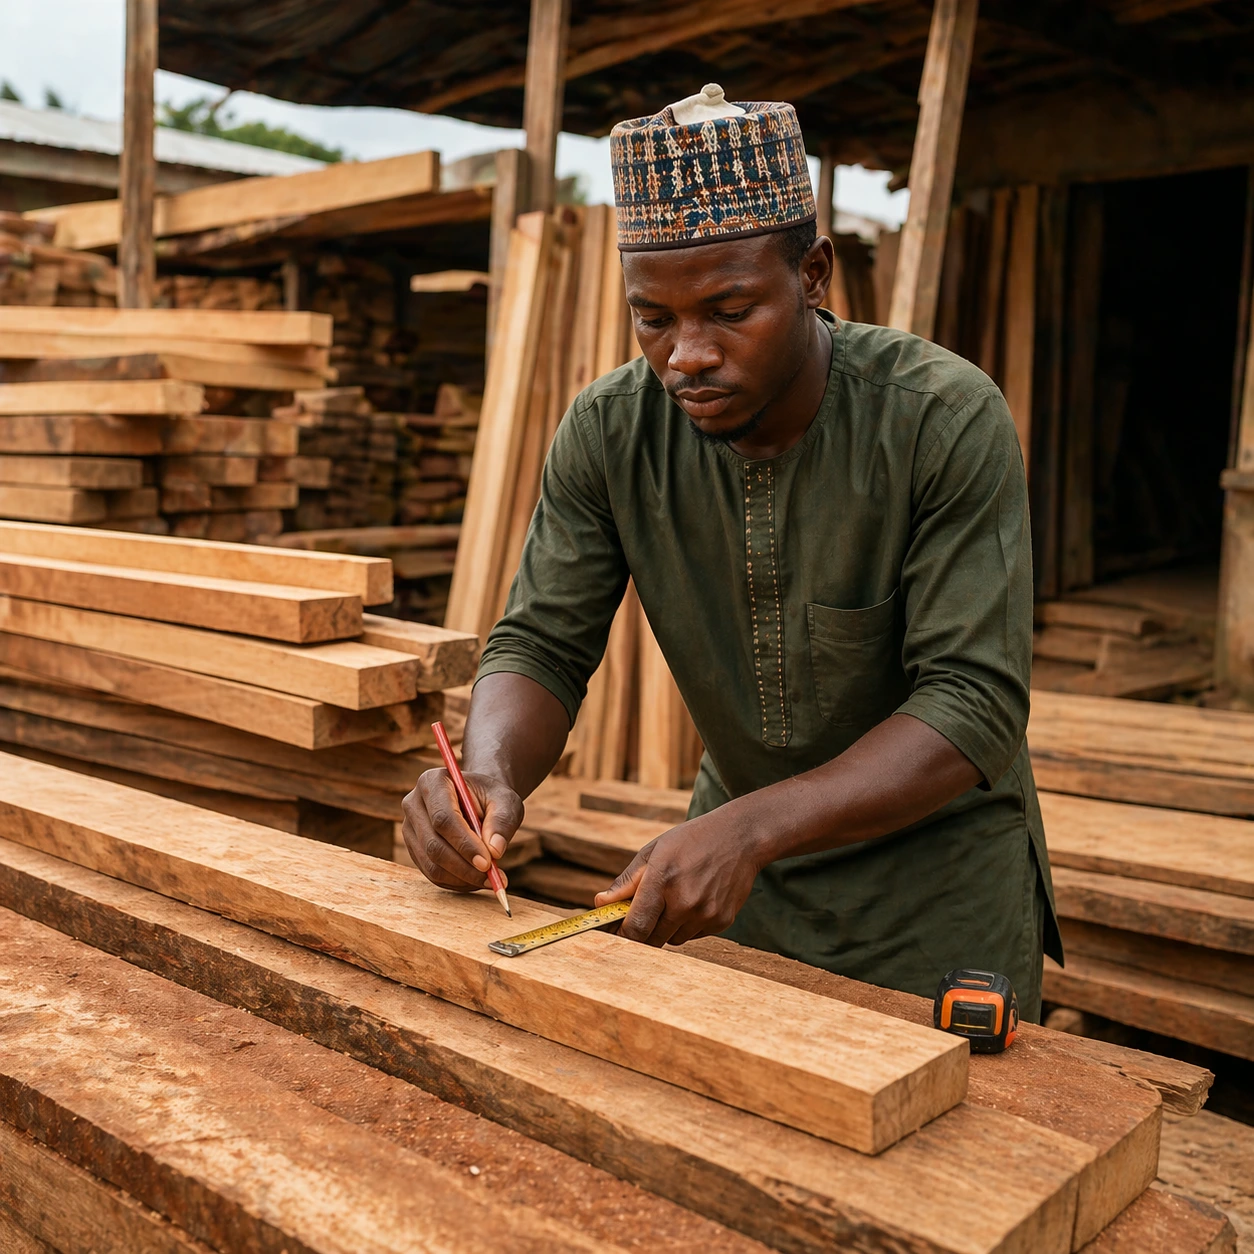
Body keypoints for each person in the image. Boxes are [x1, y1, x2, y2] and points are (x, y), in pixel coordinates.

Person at [403, 85, 1062, 1018]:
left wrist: (751, 828)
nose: (687, 357)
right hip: (734, 884)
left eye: (729, 309)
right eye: (655, 320)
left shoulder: (941, 420)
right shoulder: (609, 430)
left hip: (936, 892)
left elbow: (972, 702)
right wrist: (489, 773)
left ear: (816, 274)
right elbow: (543, 643)